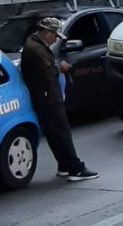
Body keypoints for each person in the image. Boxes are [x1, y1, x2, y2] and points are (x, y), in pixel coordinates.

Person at [20, 17, 98, 181]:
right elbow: (48, 73)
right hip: (48, 97)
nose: (55, 39)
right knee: (61, 133)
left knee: (55, 133)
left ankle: (64, 165)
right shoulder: (36, 49)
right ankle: (75, 168)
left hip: (45, 96)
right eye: (55, 35)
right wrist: (60, 68)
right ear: (47, 32)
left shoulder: (34, 44)